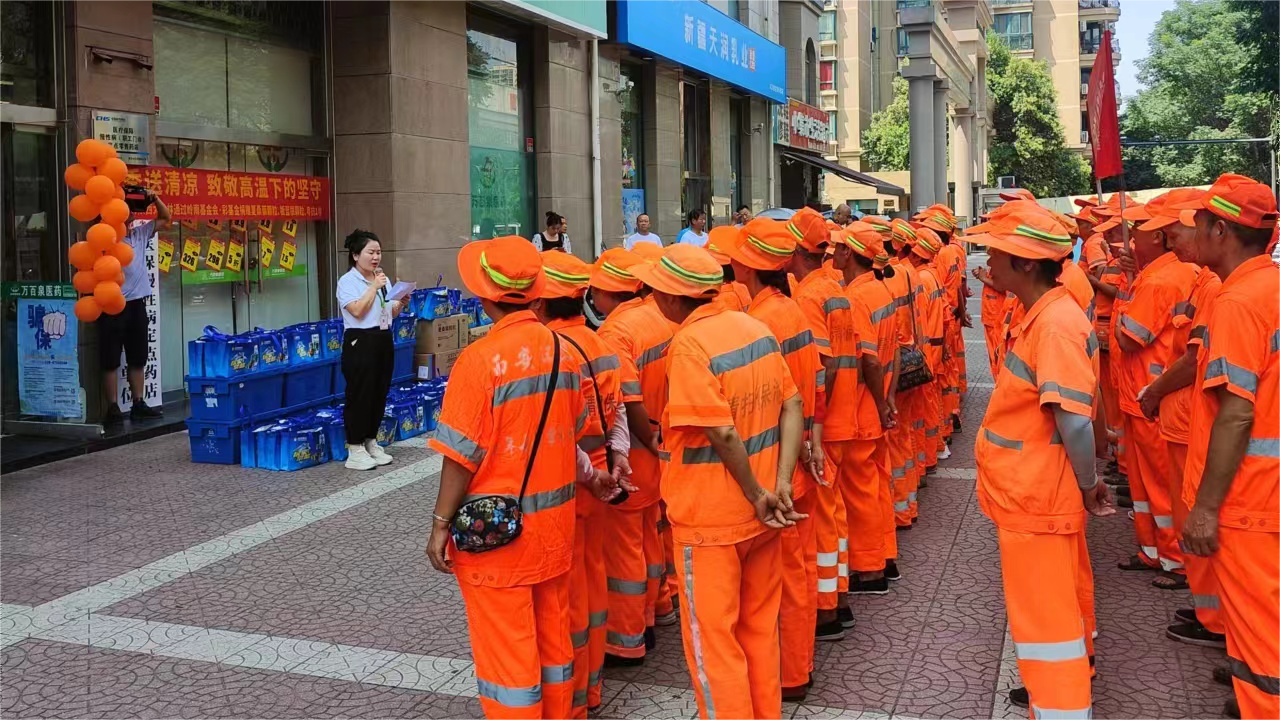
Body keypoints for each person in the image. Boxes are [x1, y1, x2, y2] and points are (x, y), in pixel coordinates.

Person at [630, 243, 805, 720]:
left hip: (711, 520)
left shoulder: (689, 345)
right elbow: (792, 404)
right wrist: (780, 484)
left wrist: (756, 493)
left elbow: (721, 431)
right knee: (758, 632)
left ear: (671, 297)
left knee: (715, 644)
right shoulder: (755, 328)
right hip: (764, 515)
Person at [426, 235, 594, 720]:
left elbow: (460, 456)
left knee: (508, 656)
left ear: (484, 297)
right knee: (553, 643)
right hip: (555, 530)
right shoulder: (564, 352)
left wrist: (440, 524)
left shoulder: (479, 361)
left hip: (498, 537)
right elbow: (578, 426)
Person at [969, 204, 1111, 719]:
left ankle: (1059, 706)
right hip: (1038, 495)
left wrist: (1089, 482)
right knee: (1060, 610)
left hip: (1038, 500)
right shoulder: (1049, 314)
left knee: (1046, 624)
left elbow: (1074, 421)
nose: (988, 260)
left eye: (997, 251)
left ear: (1027, 262)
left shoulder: (1053, 324)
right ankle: (1063, 694)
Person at [1175, 174, 1279, 720]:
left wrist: (1206, 508)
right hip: (1266, 488)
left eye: (1198, 225)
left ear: (1221, 230)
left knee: (1260, 625)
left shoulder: (1238, 302)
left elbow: (1236, 413)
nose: (1192, 235)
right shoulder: (1270, 286)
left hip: (1249, 496)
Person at [1120, 189, 1227, 649]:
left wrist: (1155, 390)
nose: (1171, 240)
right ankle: (1196, 597)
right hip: (1173, 409)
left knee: (1179, 501)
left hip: (1179, 410)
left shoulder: (1202, 285)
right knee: (1164, 496)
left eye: (1175, 232)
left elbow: (1176, 352)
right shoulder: (1198, 280)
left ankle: (1209, 611)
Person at [724, 218, 823, 700]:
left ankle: (789, 673)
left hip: (776, 467)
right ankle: (797, 667)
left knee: (781, 578)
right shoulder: (793, 309)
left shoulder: (761, 321)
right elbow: (814, 381)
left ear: (746, 266)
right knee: (797, 569)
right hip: (796, 459)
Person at [534, 250, 636, 716]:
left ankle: (574, 699)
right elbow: (617, 411)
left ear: (541, 301)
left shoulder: (553, 351)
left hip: (572, 486)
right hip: (600, 480)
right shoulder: (600, 342)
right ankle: (592, 688)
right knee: (594, 585)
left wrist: (594, 476)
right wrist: (618, 460)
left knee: (571, 599)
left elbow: (560, 432)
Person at [1108, 204, 1198, 587]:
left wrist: (1122, 308)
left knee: (1159, 484)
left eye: (1137, 232)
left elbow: (1131, 336)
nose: (1130, 240)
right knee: (1148, 484)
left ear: (1158, 237)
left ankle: (1174, 559)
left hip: (1150, 396)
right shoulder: (1165, 273)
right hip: (1145, 395)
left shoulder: (1160, 280)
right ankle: (1153, 550)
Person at [591, 247, 673, 666]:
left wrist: (647, 443)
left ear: (604, 292)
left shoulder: (615, 333)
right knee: (649, 535)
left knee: (624, 548)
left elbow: (628, 402)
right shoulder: (657, 315)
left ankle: (627, 638)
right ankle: (657, 609)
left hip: (635, 454)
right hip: (658, 449)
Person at [786, 206, 858, 638]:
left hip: (827, 424)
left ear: (797, 250)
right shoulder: (834, 289)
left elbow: (824, 365)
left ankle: (828, 607)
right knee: (836, 510)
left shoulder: (810, 296)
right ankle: (839, 597)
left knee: (824, 516)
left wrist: (811, 426)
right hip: (844, 416)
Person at [832, 222, 900, 594]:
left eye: (839, 247)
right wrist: (888, 398)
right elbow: (895, 351)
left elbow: (869, 360)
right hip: (876, 405)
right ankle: (884, 556)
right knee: (875, 486)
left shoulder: (856, 298)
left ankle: (871, 569)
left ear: (849, 254)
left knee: (859, 493)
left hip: (861, 409)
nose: (833, 252)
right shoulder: (880, 289)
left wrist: (878, 400)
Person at [335, 229, 405, 470]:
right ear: (356, 255)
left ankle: (370, 441)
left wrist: (400, 303)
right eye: (370, 252)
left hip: (383, 337)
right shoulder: (347, 281)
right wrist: (374, 287)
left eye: (379, 252)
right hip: (360, 340)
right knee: (360, 394)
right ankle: (354, 448)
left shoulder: (381, 278)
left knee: (379, 392)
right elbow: (357, 311)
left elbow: (389, 311)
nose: (376, 257)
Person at [100, 187, 170, 424]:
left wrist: (155, 198)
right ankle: (112, 407)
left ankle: (138, 403)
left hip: (137, 305)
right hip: (112, 304)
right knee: (110, 358)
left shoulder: (140, 233)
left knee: (138, 356)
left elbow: (165, 218)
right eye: (125, 212)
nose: (130, 216)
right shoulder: (108, 237)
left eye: (130, 212)